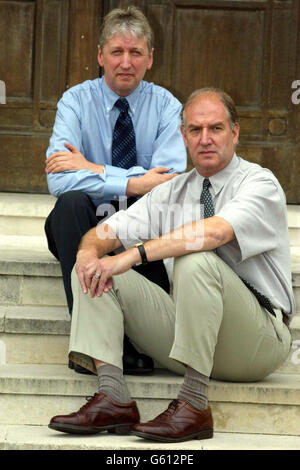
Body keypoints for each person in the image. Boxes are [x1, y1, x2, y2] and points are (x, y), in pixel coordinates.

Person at [48, 88, 294, 443]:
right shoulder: (172, 191)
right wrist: (89, 253)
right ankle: (113, 396)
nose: (205, 139)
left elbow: (215, 232)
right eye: (195, 130)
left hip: (257, 341)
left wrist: (134, 254)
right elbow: (107, 231)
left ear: (235, 132)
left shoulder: (259, 183)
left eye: (216, 129)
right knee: (90, 267)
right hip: (190, 335)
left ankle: (194, 403)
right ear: (183, 137)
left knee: (195, 257)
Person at [44, 6, 187, 375]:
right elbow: (58, 179)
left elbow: (171, 181)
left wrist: (93, 170)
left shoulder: (168, 106)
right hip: (85, 219)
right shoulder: (75, 101)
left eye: (136, 52)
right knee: (70, 205)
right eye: (117, 52)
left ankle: (136, 339)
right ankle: (95, 342)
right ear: (100, 55)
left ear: (150, 59)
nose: (126, 62)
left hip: (136, 217)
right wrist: (136, 180)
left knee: (153, 209)